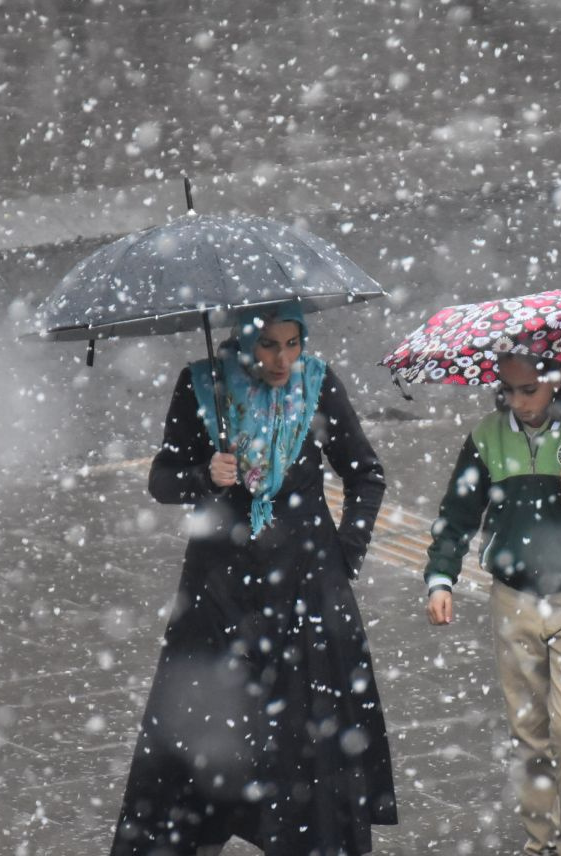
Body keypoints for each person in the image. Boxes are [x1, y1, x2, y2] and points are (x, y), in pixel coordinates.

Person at [110, 302, 397, 856]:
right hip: (221, 593)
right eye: (269, 345)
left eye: (293, 343)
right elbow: (161, 481)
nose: (283, 359)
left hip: (306, 591)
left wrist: (345, 553)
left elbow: (366, 474)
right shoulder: (202, 388)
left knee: (300, 742)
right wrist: (204, 476)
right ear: (244, 342)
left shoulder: (317, 384)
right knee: (207, 733)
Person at [423, 351, 561, 856]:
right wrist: (441, 578)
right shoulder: (487, 437)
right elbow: (457, 513)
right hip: (514, 601)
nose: (518, 401)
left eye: (529, 390)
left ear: (556, 383)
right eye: (508, 390)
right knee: (529, 733)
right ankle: (538, 842)